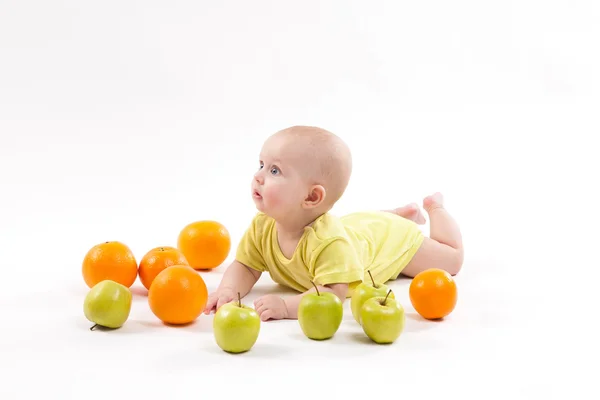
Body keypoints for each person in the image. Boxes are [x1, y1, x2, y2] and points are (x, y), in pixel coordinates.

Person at [203, 126, 464, 321]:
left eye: (274, 171)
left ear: (312, 197)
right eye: (261, 164)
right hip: (359, 227)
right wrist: (227, 290)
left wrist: (286, 308)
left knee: (451, 260)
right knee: (365, 226)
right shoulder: (263, 227)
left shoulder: (329, 243)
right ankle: (397, 212)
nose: (258, 177)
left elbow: (332, 293)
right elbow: (246, 267)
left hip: (389, 241)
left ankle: (433, 207)